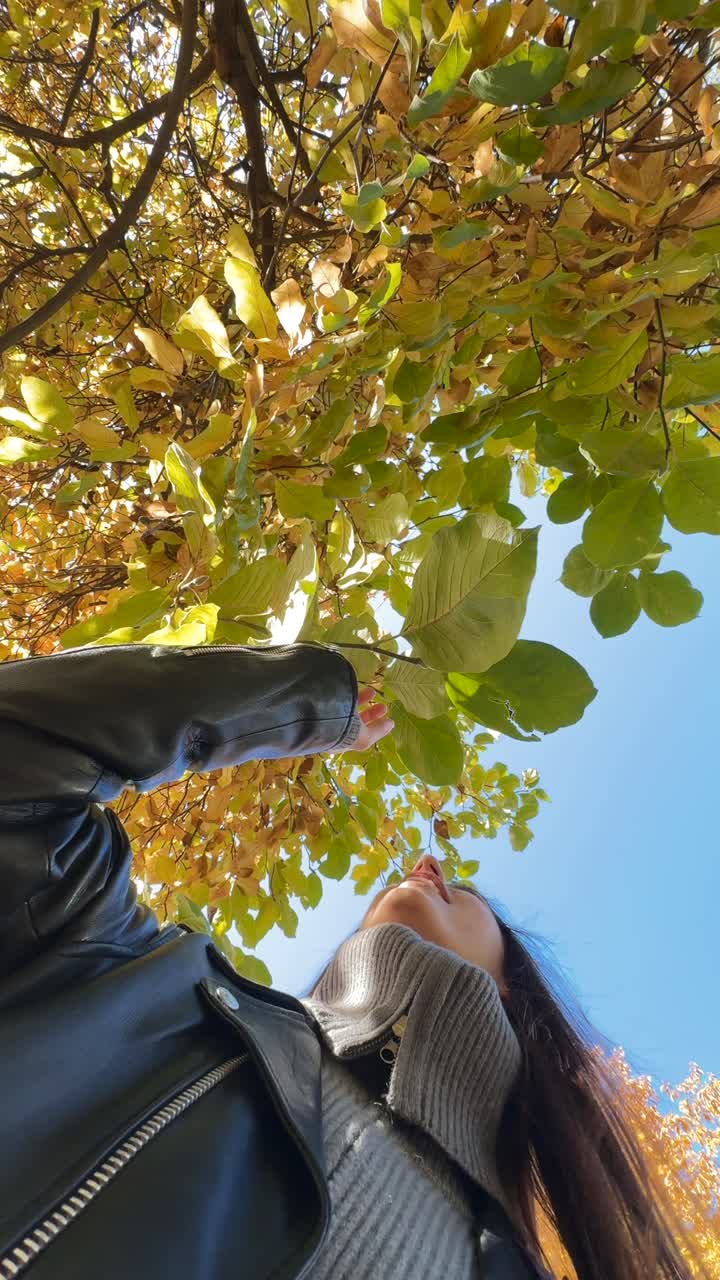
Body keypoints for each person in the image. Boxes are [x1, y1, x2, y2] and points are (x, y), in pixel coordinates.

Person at [0, 640, 702, 1280]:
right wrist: (311, 701)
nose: (430, 863)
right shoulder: (155, 986)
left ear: (514, 990)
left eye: (467, 890)